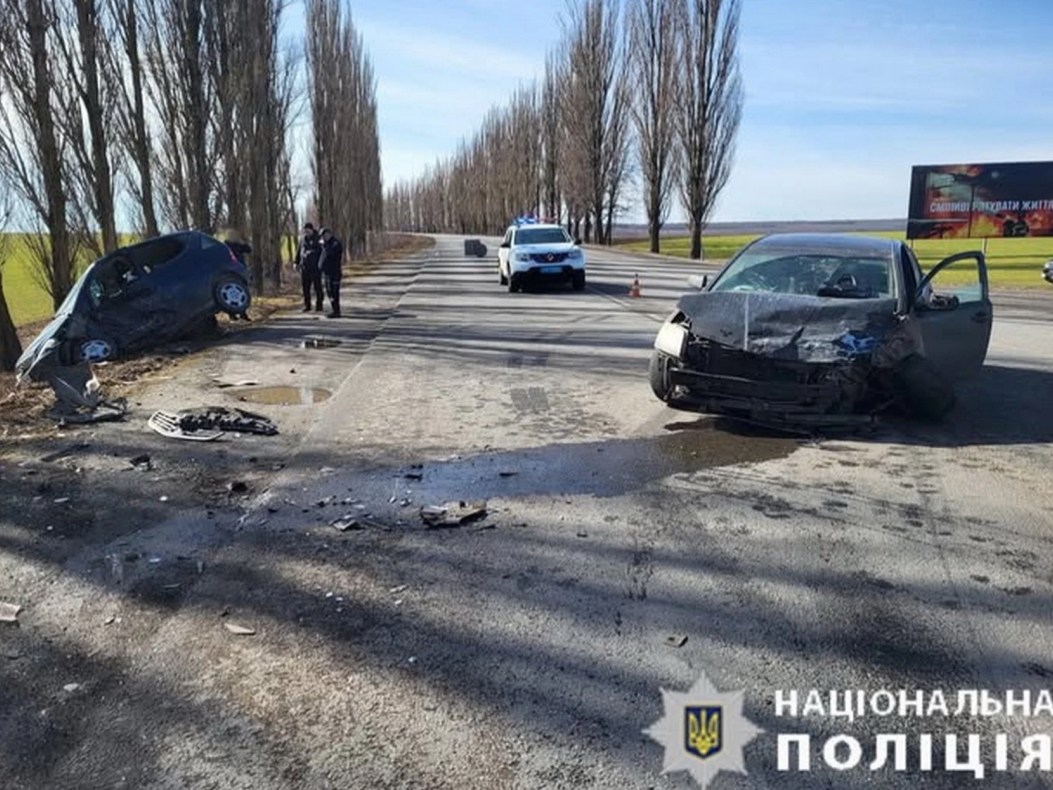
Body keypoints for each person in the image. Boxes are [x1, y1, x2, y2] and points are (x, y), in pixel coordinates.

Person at [295, 223, 323, 312]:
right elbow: (299, 251)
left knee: (317, 287)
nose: (306, 232)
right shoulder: (303, 240)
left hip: (315, 267)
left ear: (311, 229)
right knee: (305, 288)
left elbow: (321, 251)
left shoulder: (318, 238)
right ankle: (307, 305)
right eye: (305, 230)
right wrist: (296, 262)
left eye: (308, 230)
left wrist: (311, 253)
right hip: (305, 267)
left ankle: (319, 305)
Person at [318, 227, 344, 318]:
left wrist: (324, 246)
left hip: (334, 273)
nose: (323, 238)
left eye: (324, 235)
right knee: (329, 292)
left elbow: (332, 254)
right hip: (327, 273)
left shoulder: (335, 244)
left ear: (328, 234)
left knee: (334, 292)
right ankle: (334, 309)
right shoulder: (326, 245)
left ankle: (336, 311)